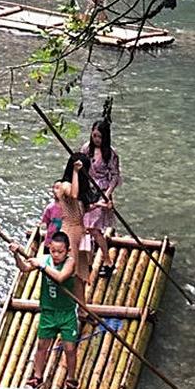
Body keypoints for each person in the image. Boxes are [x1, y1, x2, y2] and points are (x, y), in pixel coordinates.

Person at [9, 232, 80, 389]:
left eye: (60, 252)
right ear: (49, 249)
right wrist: (16, 255)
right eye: (53, 251)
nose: (56, 255)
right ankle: (37, 376)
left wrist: (41, 265)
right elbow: (24, 268)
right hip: (48, 311)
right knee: (42, 345)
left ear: (67, 251)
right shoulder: (45, 260)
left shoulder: (70, 262)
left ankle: (71, 378)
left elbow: (60, 277)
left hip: (66, 312)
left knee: (69, 348)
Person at [81, 119, 122, 278]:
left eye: (99, 137)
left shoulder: (111, 154)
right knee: (86, 228)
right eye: (94, 136)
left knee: (95, 229)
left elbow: (115, 176)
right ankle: (89, 262)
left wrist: (108, 194)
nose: (96, 139)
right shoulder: (86, 148)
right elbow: (80, 166)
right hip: (88, 190)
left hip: (102, 191)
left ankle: (107, 261)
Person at [58, 152, 93, 303]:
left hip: (81, 231)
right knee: (69, 270)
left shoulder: (82, 189)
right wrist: (76, 172)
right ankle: (65, 304)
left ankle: (82, 308)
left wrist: (104, 205)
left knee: (81, 273)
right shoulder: (65, 185)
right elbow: (73, 195)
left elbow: (84, 206)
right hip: (69, 231)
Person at [39, 181, 64, 253]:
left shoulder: (68, 208)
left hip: (63, 240)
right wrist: (43, 231)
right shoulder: (50, 207)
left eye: (58, 188)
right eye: (54, 188)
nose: (55, 190)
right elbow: (44, 222)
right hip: (50, 239)